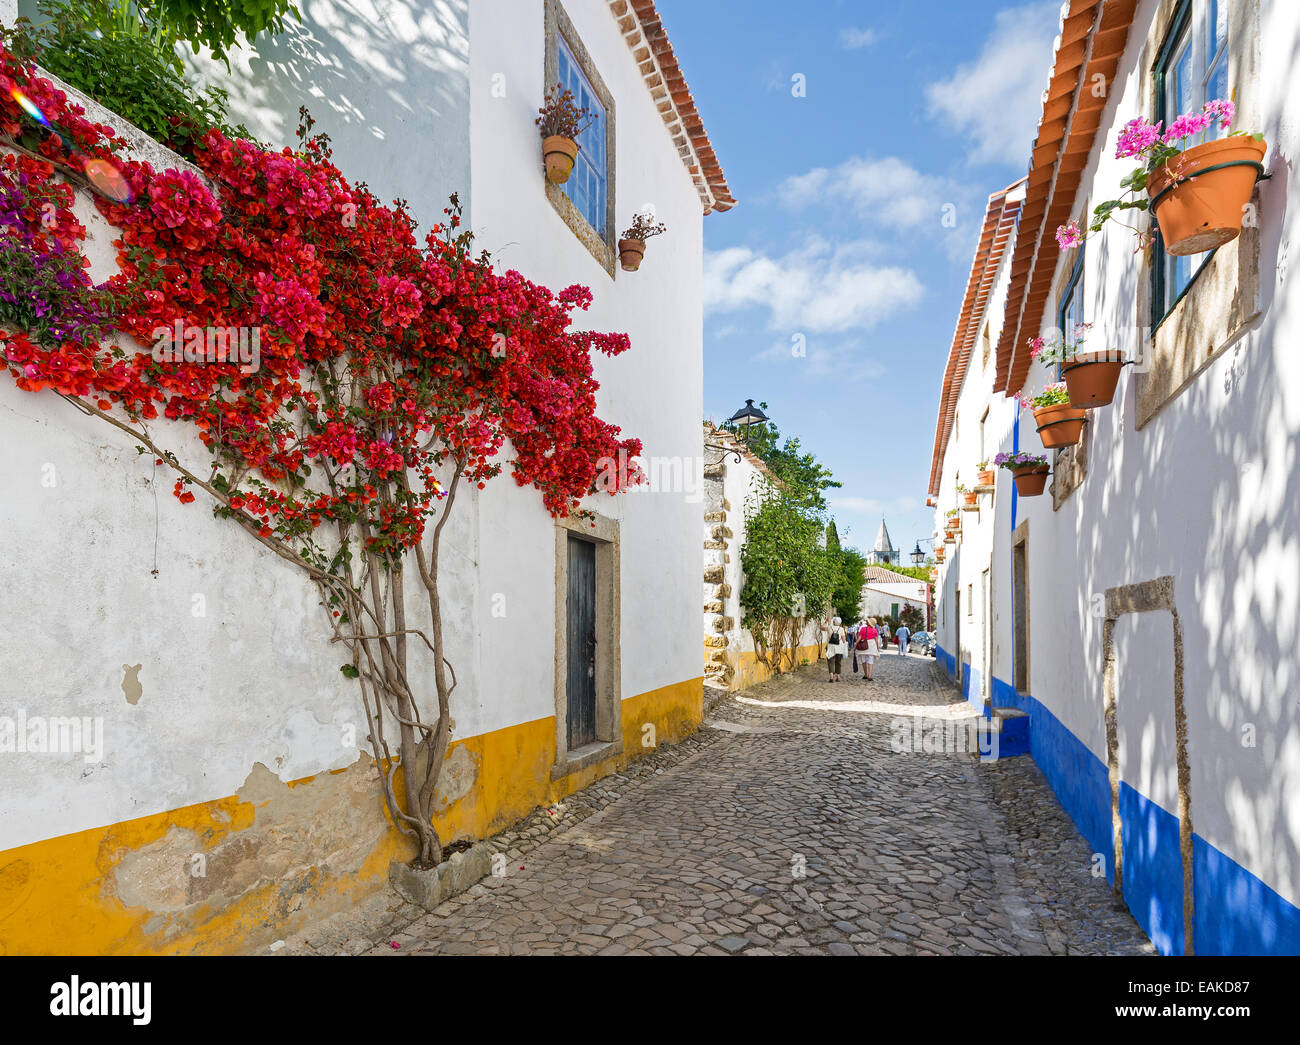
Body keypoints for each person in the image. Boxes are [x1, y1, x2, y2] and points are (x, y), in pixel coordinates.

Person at [825, 616, 847, 682]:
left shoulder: (829, 627)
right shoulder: (841, 629)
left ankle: (831, 677)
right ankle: (838, 677)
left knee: (830, 661)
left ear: (834, 622)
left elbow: (821, 627)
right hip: (839, 647)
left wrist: (826, 621)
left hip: (831, 646)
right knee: (838, 661)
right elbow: (843, 640)